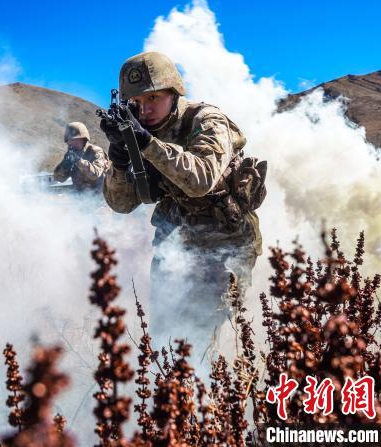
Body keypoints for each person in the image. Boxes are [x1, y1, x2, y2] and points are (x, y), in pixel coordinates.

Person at [100, 52, 265, 364]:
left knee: (201, 335)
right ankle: (174, 404)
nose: (145, 108)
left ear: (174, 94)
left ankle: (214, 401)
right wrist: (122, 161)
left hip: (226, 243)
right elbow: (121, 204)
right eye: (137, 100)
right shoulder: (138, 130)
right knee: (167, 334)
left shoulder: (205, 120)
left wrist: (146, 143)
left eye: (154, 98)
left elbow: (202, 178)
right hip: (176, 243)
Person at [53, 122, 109, 191]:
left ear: (83, 139)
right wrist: (64, 165)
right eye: (69, 140)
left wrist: (78, 161)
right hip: (79, 197)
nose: (71, 143)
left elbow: (95, 174)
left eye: (74, 140)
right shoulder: (70, 155)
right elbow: (59, 178)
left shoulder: (95, 151)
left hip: (98, 196)